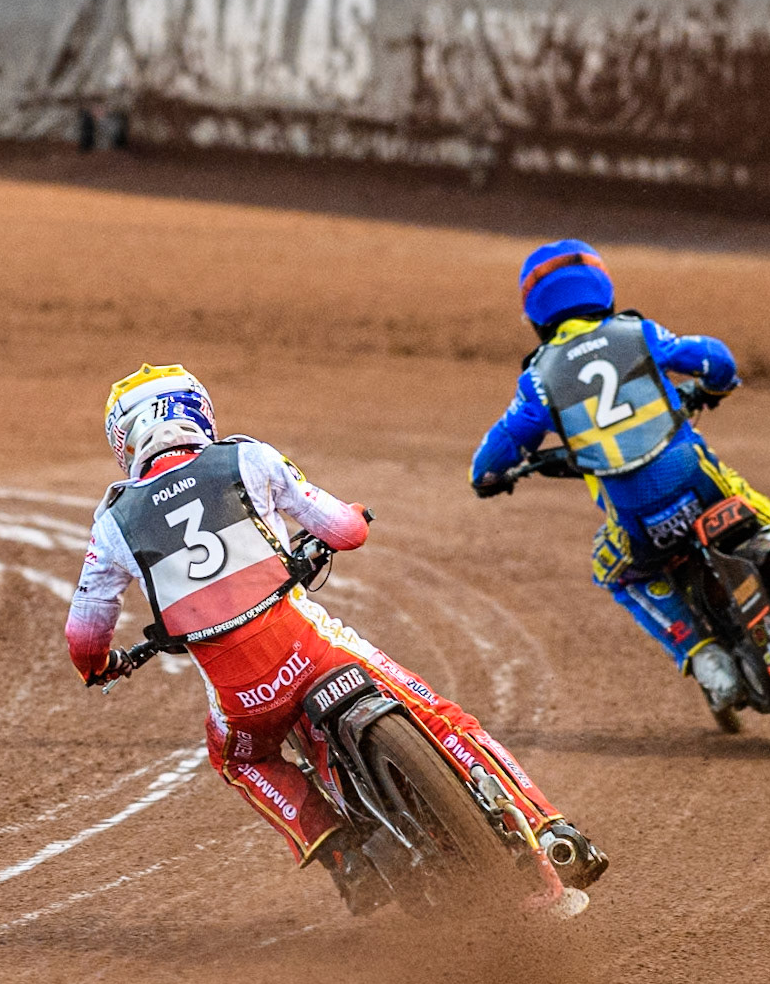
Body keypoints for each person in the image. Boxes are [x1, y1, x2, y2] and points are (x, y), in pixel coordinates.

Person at [66, 363, 604, 911]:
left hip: (244, 701)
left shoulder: (113, 519)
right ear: (196, 411)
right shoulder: (246, 456)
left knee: (239, 762)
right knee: (443, 719)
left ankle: (340, 852)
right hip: (314, 652)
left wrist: (102, 666)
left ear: (125, 439)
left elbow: (84, 640)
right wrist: (352, 518)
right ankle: (550, 828)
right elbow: (346, 532)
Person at [471, 240, 770, 726]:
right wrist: (713, 388)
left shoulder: (539, 379)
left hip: (641, 525)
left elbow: (497, 452)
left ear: (535, 314)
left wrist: (488, 478)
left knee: (615, 569)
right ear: (602, 289)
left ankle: (705, 658)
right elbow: (716, 360)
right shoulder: (638, 333)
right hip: (703, 486)